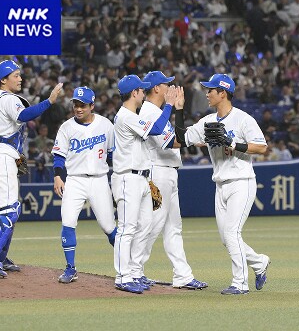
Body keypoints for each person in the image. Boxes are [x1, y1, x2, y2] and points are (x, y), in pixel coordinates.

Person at [174, 74, 270, 295]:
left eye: (211, 90)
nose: (206, 93)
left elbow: (262, 147)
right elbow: (180, 139)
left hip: (242, 182)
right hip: (220, 184)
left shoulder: (243, 119)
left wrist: (233, 143)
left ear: (223, 93)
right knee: (227, 239)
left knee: (232, 233)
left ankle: (240, 283)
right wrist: (179, 110)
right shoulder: (207, 121)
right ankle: (259, 262)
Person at [0, 60, 63, 277]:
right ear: (3, 80)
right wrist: (49, 101)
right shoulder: (7, 98)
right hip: (2, 158)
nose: (20, 78)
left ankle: (0, 256)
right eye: (15, 75)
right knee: (10, 211)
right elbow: (24, 115)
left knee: (10, 209)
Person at [138, 70, 206, 290]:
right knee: (153, 224)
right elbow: (170, 143)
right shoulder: (149, 112)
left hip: (169, 172)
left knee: (173, 227)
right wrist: (196, 136)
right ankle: (134, 270)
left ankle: (183, 275)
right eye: (166, 84)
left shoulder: (158, 111)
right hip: (157, 172)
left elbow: (176, 136)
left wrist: (181, 114)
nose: (170, 87)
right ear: (157, 88)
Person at [111, 74, 179, 293]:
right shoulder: (126, 116)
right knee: (127, 229)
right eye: (141, 90)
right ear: (134, 93)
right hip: (126, 177)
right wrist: (169, 105)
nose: (143, 93)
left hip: (140, 177)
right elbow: (158, 129)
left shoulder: (132, 115)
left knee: (144, 226)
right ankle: (123, 276)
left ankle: (135, 272)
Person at [51, 86, 117, 284]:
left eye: (82, 105)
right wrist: (57, 176)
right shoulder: (66, 127)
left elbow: (114, 155)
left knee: (108, 226)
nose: (78, 109)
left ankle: (129, 267)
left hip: (99, 179)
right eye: (75, 105)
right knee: (68, 222)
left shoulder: (106, 125)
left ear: (92, 106)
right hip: (75, 180)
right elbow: (59, 156)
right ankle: (70, 268)